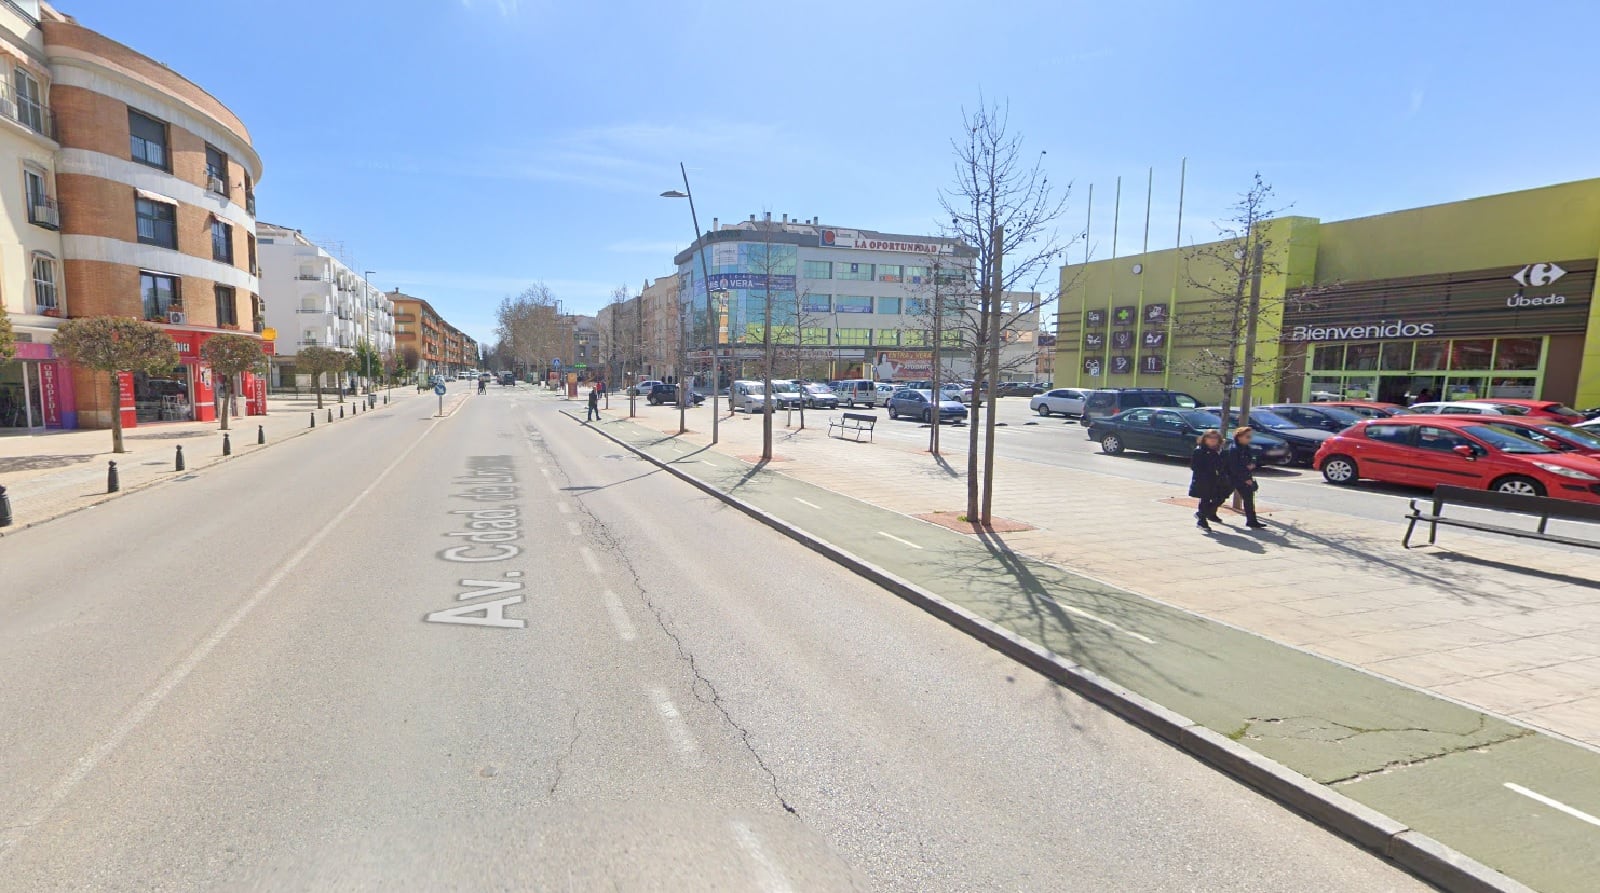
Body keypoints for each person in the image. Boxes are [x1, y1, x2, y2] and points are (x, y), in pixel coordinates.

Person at [1225, 427, 1267, 529]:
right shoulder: (1234, 449)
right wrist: (1245, 478)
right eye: (1247, 436)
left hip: (1245, 477)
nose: (1249, 439)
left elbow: (1251, 459)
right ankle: (1207, 513)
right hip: (1234, 479)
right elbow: (1234, 467)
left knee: (1249, 499)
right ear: (1239, 437)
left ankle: (1252, 521)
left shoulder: (1246, 448)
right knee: (1221, 497)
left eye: (1250, 437)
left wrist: (1252, 464)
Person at [1189, 429, 1230, 531]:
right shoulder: (1200, 451)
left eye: (1215, 438)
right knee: (1205, 499)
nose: (1212, 440)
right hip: (1204, 480)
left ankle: (1202, 514)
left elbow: (1224, 465)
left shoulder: (1221, 451)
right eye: (1209, 437)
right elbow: (1194, 466)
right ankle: (1202, 521)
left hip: (1218, 480)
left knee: (1220, 497)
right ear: (1204, 439)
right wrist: (1209, 470)